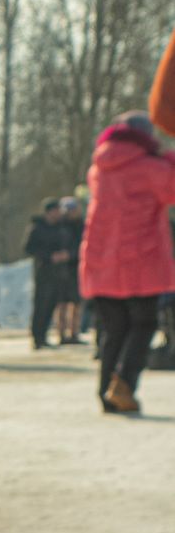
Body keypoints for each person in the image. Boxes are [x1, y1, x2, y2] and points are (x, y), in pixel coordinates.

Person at [79, 110, 175, 414]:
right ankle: (124, 384)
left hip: (102, 261)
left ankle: (106, 394)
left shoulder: (99, 167)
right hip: (139, 262)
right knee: (144, 324)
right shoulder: (149, 167)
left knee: (115, 329)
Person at [24, 199, 70, 348]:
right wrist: (48, 256)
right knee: (40, 305)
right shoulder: (37, 228)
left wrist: (66, 254)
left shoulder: (61, 228)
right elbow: (28, 248)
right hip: (43, 271)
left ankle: (43, 335)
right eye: (54, 211)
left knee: (51, 305)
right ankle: (37, 337)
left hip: (59, 272)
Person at [54, 197, 84, 343]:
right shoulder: (57, 227)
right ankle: (61, 332)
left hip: (76, 267)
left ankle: (74, 332)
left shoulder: (81, 226)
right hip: (60, 270)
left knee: (76, 302)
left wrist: (71, 255)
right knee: (61, 302)